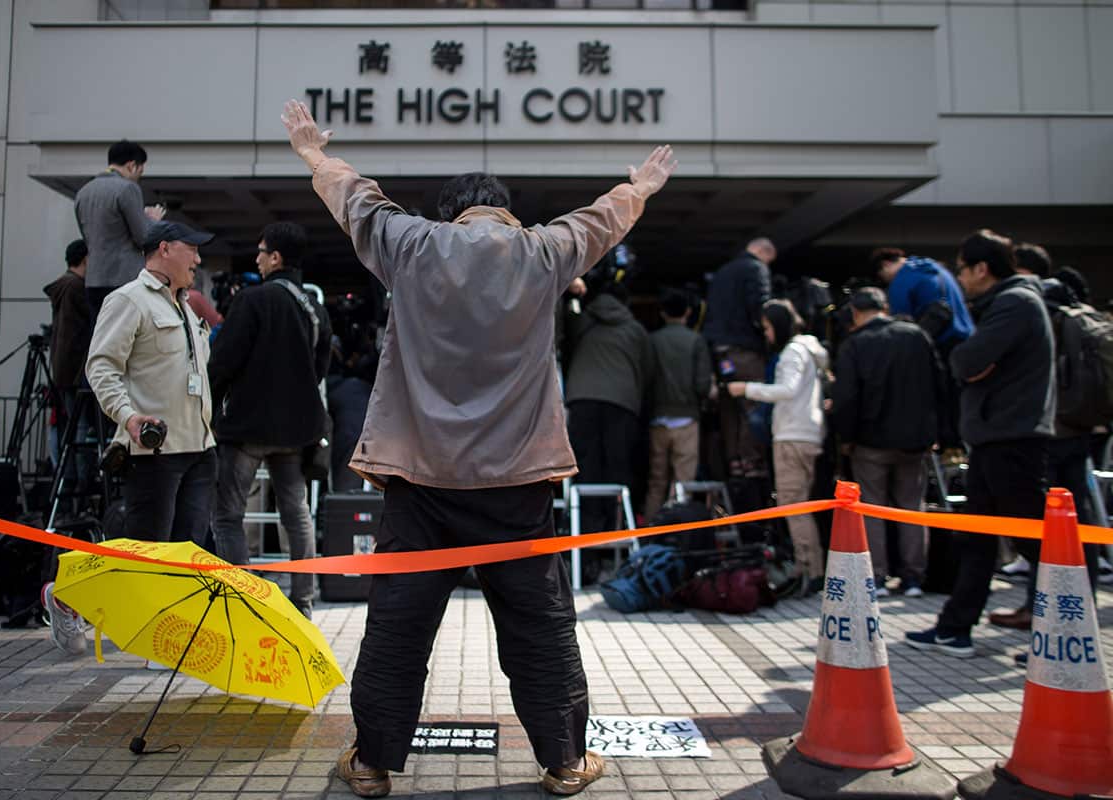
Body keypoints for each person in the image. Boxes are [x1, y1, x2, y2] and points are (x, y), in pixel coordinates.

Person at [282, 98, 676, 797]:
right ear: (504, 211)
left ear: (452, 211)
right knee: (539, 627)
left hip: (420, 481)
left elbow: (357, 200)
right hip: (518, 485)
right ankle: (564, 762)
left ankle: (372, 765)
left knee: (399, 627)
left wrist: (314, 153)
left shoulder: (411, 244)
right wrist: (639, 187)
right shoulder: (545, 251)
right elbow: (601, 219)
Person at [905, 229, 1054, 658]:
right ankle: (955, 628)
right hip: (997, 435)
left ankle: (1061, 635)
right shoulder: (1007, 304)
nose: (960, 279)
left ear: (982, 269)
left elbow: (966, 361)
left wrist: (970, 363)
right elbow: (972, 365)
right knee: (979, 538)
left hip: (1013, 437)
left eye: (963, 270)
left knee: (1034, 540)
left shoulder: (1014, 303)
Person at [208, 221, 331, 619]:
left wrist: (210, 405)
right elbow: (320, 369)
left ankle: (245, 603)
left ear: (275, 257)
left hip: (246, 426)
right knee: (296, 513)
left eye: (261, 251)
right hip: (295, 432)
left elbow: (223, 360)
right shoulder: (314, 308)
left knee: (227, 514)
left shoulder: (252, 301)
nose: (257, 258)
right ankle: (303, 603)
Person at [988, 250, 1102, 663]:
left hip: (1048, 433)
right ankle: (1072, 614)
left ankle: (1051, 622)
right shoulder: (1079, 315)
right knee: (1080, 524)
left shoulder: (1037, 314)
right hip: (1084, 430)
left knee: (1047, 531)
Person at [85, 220, 217, 544]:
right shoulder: (128, 299)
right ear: (165, 248)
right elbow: (101, 366)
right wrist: (127, 417)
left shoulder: (184, 305)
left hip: (201, 448)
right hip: (153, 451)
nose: (198, 260)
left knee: (191, 554)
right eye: (193, 250)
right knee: (150, 551)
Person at [833, 287, 942, 598]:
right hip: (916, 440)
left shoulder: (855, 344)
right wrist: (937, 432)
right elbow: (939, 383)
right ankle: (913, 578)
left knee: (872, 508)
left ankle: (876, 577)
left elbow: (846, 398)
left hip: (871, 440)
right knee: (911, 507)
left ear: (855, 312)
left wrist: (846, 437)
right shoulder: (916, 336)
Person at [727, 299, 829, 594]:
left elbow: (787, 390)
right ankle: (811, 568)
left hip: (791, 436)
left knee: (793, 506)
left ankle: (808, 569)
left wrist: (745, 389)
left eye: (769, 327)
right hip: (807, 434)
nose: (767, 334)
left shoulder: (792, 352)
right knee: (800, 504)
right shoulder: (810, 351)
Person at [563, 282, 651, 532]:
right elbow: (648, 371)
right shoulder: (635, 330)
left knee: (586, 467)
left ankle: (586, 531)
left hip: (581, 399)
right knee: (618, 466)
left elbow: (563, 347)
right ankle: (616, 528)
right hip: (622, 403)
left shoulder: (580, 322)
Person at [703, 238, 776, 477]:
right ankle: (751, 461)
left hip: (720, 351)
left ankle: (734, 460)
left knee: (729, 405)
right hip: (744, 347)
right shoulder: (756, 268)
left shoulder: (723, 272)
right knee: (752, 400)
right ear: (762, 253)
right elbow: (759, 305)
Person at [74, 139, 166, 322]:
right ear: (132, 166)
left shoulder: (84, 192)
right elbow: (143, 237)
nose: (138, 177)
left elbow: (88, 237)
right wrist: (152, 220)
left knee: (100, 339)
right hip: (124, 280)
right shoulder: (128, 189)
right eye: (140, 171)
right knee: (125, 341)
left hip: (94, 279)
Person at [643, 288, 713, 519]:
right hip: (687, 418)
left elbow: (646, 378)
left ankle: (651, 531)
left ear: (662, 313)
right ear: (688, 312)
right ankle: (676, 535)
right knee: (683, 483)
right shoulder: (696, 341)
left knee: (656, 481)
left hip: (658, 419)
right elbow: (703, 385)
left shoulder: (652, 340)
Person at [45, 239, 95, 501]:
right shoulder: (77, 288)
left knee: (68, 426)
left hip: (64, 370)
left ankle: (70, 477)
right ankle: (79, 481)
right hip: (77, 371)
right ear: (86, 259)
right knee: (81, 428)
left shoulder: (63, 286)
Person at [871, 247, 974, 360]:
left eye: (881, 276)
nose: (886, 280)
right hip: (968, 338)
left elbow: (899, 330)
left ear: (885, 264)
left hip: (940, 348)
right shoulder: (938, 269)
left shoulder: (902, 280)